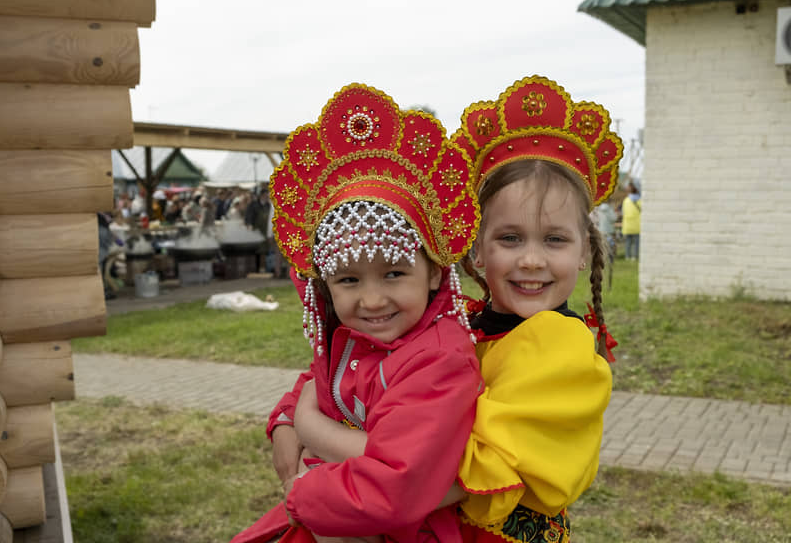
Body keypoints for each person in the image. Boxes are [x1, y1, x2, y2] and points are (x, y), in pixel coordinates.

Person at [230, 84, 483, 543]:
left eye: (392, 273)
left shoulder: (440, 359)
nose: (370, 300)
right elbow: (319, 379)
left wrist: (301, 492)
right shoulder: (351, 336)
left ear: (433, 271)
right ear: (324, 284)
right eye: (348, 280)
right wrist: (287, 420)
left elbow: (397, 482)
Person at [444, 75, 619, 543]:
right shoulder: (462, 324)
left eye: (555, 239)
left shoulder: (561, 347)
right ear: (477, 250)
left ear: (584, 251)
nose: (532, 260)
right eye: (510, 238)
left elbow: (463, 478)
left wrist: (351, 460)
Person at [621, 182, 641, 260]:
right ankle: (635, 256)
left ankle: (627, 256)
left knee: (628, 242)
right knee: (636, 242)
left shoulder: (626, 200)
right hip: (637, 224)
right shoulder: (640, 201)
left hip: (628, 224)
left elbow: (623, 212)